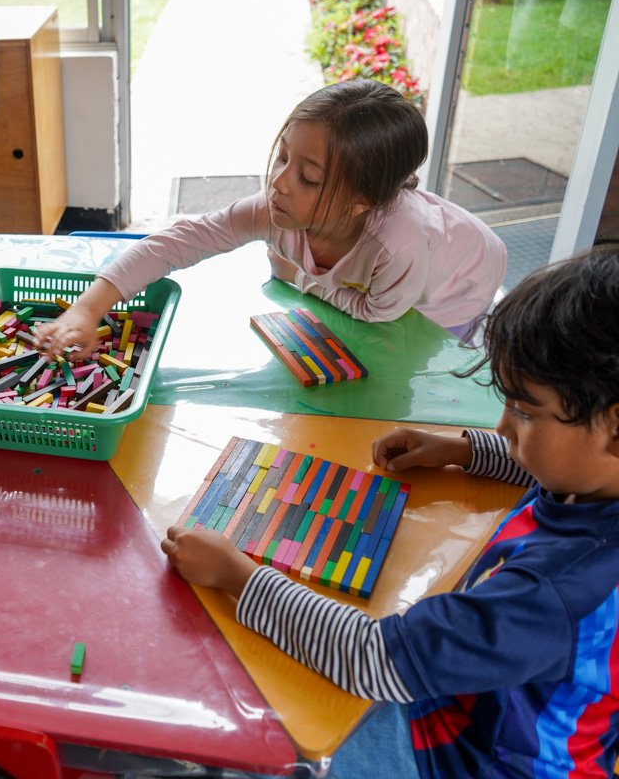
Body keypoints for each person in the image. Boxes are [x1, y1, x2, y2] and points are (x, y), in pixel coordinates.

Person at [161, 245, 619, 779]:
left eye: (524, 412)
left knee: (274, 734)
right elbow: (550, 469)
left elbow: (374, 658)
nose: (502, 428)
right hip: (478, 704)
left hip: (465, 759)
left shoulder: (553, 594)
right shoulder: (593, 483)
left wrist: (239, 574)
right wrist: (462, 449)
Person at [38, 79, 506, 354]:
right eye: (283, 157)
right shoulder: (275, 209)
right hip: (408, 271)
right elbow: (176, 242)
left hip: (458, 282)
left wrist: (302, 279)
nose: (279, 183)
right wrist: (88, 308)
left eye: (309, 177)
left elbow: (379, 312)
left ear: (362, 201)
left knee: (414, 357)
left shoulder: (399, 246)